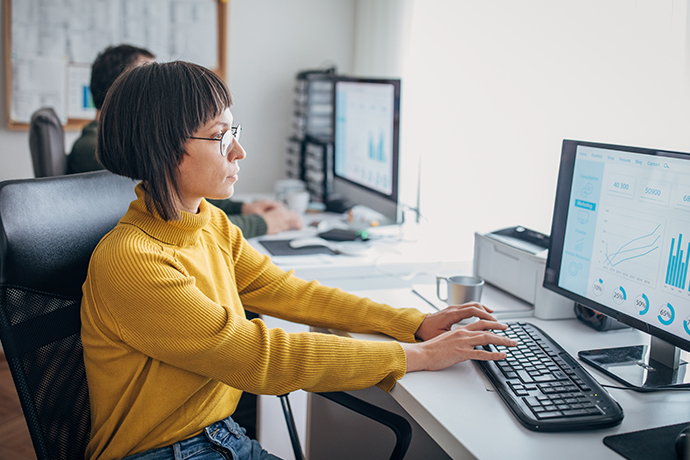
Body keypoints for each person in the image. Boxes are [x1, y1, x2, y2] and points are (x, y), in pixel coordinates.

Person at [81, 60, 516, 460]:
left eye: (235, 132)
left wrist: (411, 322)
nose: (238, 152)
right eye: (220, 136)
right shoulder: (132, 261)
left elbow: (285, 291)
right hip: (165, 452)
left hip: (218, 437)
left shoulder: (207, 222)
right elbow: (259, 359)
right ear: (163, 147)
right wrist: (415, 356)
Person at [67, 44, 301, 238]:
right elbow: (172, 206)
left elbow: (184, 195)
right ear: (126, 93)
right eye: (150, 78)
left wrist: (244, 208)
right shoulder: (96, 150)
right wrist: (263, 223)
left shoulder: (208, 221)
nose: (162, 86)